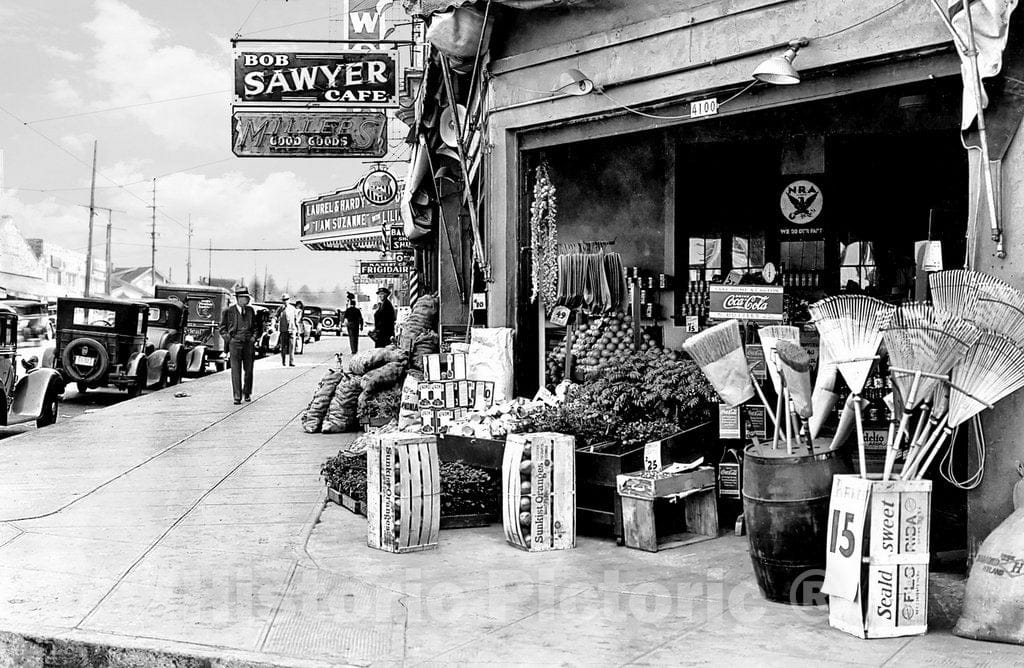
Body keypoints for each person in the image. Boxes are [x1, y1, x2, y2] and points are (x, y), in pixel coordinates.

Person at [219, 286, 258, 404]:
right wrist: (229, 339)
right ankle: (237, 396)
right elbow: (222, 328)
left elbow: (256, 327)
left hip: (248, 344)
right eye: (244, 298)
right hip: (234, 343)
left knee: (249, 370)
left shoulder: (250, 311)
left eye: (247, 298)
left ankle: (247, 392)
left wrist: (253, 338)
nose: (247, 300)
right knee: (235, 370)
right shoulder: (228, 311)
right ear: (238, 299)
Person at [276, 293, 298, 367]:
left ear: (289, 300)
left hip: (292, 330)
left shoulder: (293, 309)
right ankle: (283, 361)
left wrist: (297, 329)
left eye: (286, 299)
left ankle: (292, 361)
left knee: (292, 347)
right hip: (283, 330)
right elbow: (275, 317)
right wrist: (274, 324)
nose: (285, 301)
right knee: (283, 347)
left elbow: (296, 319)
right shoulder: (280, 309)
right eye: (284, 300)